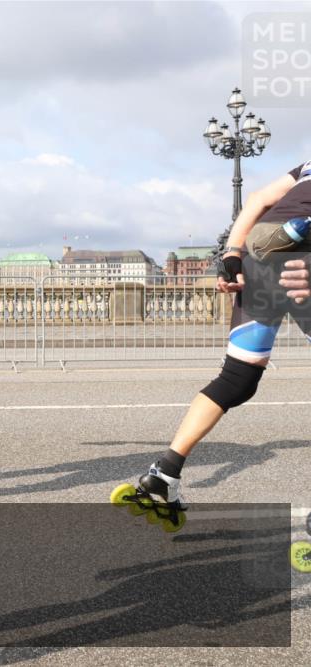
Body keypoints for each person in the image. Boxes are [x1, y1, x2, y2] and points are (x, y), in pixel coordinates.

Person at [114, 159, 311, 530]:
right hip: (302, 260)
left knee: (237, 377)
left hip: (261, 255)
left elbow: (257, 198)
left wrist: (232, 254)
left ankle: (165, 472)